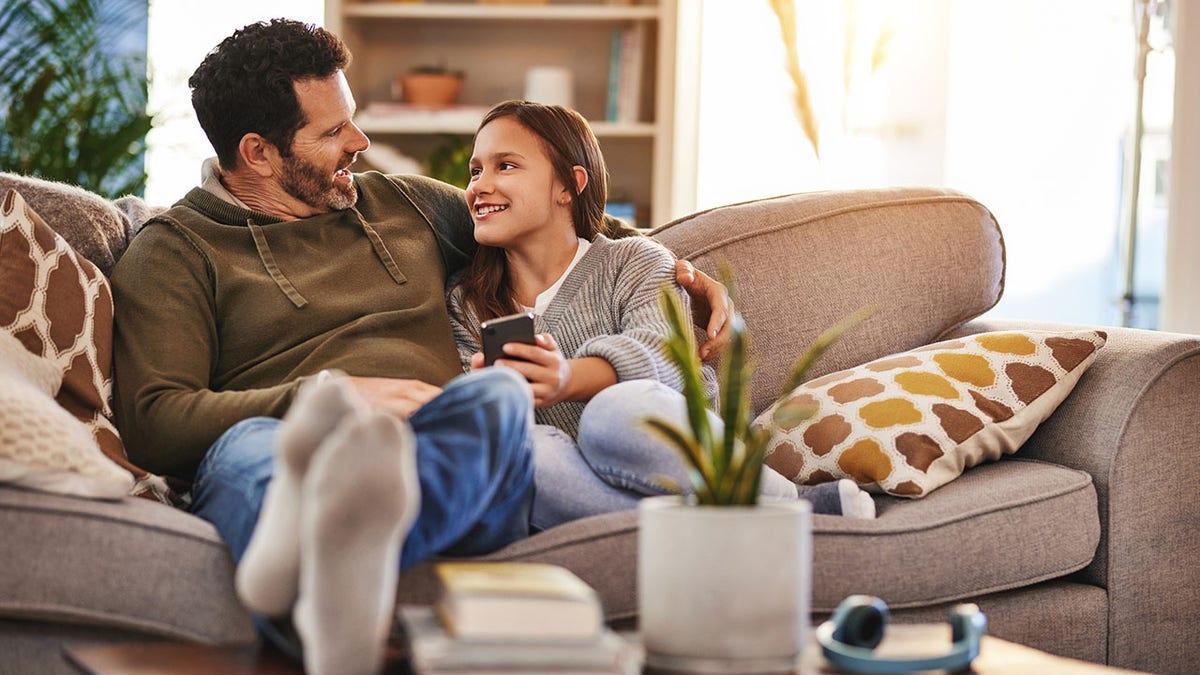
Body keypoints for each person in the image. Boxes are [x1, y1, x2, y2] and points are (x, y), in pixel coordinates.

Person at [108, 19, 734, 675]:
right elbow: (155, 418)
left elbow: (549, 207)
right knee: (259, 453)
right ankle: (324, 561)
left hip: (435, 436)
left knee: (494, 395)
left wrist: (672, 267)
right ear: (258, 153)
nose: (361, 141)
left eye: (351, 120)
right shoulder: (175, 250)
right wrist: (326, 394)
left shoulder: (398, 203)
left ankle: (306, 564)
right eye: (332, 133)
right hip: (285, 434)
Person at [447, 101, 875, 531]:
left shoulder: (634, 260)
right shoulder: (466, 302)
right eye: (475, 170)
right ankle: (736, 528)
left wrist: (564, 379)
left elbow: (662, 360)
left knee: (613, 412)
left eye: (505, 166)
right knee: (524, 455)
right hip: (584, 483)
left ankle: (787, 502)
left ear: (568, 185)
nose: (480, 185)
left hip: (673, 452)